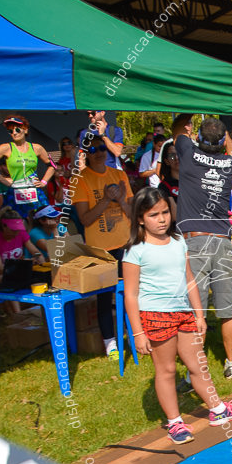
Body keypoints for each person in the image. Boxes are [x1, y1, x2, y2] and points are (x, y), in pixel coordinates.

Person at [122, 187, 232, 445]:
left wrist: (200, 316)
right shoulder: (135, 251)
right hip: (155, 316)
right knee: (167, 369)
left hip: (185, 314)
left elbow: (190, 279)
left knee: (198, 364)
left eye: (165, 212)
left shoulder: (179, 242)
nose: (162, 219)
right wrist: (137, 332)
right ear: (140, 219)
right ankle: (175, 421)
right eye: (154, 215)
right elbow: (131, 295)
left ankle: (217, 409)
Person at [172, 115, 232, 379]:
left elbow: (177, 129)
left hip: (193, 242)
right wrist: (229, 143)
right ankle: (231, 363)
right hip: (223, 241)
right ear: (223, 140)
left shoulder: (188, 154)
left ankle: (195, 370)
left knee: (195, 308)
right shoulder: (231, 163)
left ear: (198, 138)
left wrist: (185, 117)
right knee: (227, 307)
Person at [74, 138, 133, 355]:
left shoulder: (118, 174)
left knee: (131, 293)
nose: (99, 152)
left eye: (102, 148)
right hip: (100, 250)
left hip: (125, 244)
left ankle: (133, 337)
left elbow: (131, 212)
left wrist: (121, 200)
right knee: (104, 297)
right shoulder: (81, 179)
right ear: (86, 154)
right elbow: (85, 219)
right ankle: (110, 343)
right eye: (93, 149)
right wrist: (107, 199)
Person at [0, 115, 55, 219]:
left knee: (45, 219)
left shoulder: (37, 148)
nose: (14, 133)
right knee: (15, 223)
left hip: (34, 191)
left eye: (17, 129)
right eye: (10, 131)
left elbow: (52, 165)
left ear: (25, 129)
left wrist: (44, 182)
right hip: (16, 191)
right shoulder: (6, 148)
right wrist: (3, 180)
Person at [0, 208, 45, 287]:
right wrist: (24, 265)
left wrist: (39, 257)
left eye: (18, 229)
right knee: (21, 278)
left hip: (17, 271)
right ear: (4, 226)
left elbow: (35, 252)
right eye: (13, 230)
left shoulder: (21, 233)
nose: (16, 233)